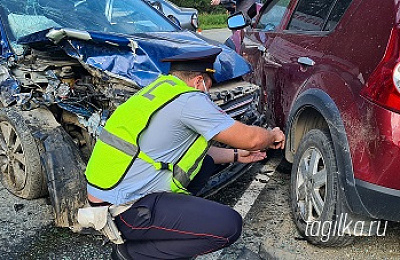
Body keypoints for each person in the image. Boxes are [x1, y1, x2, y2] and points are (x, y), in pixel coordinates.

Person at [84, 48, 285, 260]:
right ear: (199, 82)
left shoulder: (160, 91)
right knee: (230, 225)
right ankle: (132, 253)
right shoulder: (189, 100)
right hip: (123, 212)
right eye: (209, 86)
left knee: (205, 164)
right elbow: (252, 139)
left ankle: (162, 236)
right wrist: (272, 136)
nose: (208, 93)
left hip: (106, 198)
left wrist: (236, 155)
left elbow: (183, 155)